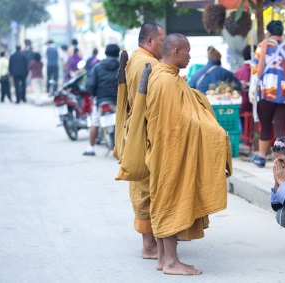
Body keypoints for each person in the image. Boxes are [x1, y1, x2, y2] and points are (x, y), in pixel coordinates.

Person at [145, 33, 230, 275]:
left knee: (163, 200)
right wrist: (215, 132)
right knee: (170, 200)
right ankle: (171, 263)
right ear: (175, 52)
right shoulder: (167, 81)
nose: (191, 56)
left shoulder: (165, 77)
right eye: (187, 51)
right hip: (171, 151)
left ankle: (164, 258)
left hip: (163, 150)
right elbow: (182, 122)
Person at [115, 22, 165, 260]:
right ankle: (149, 245)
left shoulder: (135, 57)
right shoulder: (150, 64)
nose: (164, 45)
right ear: (150, 41)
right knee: (147, 188)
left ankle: (151, 241)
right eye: (162, 41)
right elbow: (157, 103)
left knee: (143, 187)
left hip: (135, 131)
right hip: (146, 133)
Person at [249, 20, 285, 168]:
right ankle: (284, 161)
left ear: (268, 33)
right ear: (281, 32)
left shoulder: (263, 46)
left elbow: (255, 70)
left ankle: (261, 157)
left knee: (265, 125)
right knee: (280, 127)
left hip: (267, 91)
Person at [82, 44, 120, 156]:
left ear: (106, 53)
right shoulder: (123, 67)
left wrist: (94, 95)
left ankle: (91, 148)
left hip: (101, 100)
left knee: (95, 123)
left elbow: (90, 84)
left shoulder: (97, 67)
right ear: (117, 54)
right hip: (117, 100)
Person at [234, 45, 254, 134]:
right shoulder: (255, 70)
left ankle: (245, 138)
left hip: (241, 104)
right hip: (254, 105)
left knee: (243, 127)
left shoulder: (238, 72)